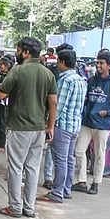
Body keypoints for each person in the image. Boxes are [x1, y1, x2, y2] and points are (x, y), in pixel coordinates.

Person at [0, 37, 57, 218]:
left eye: (18, 49)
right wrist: (50, 126)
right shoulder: (48, 74)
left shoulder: (18, 70)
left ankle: (15, 206)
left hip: (18, 126)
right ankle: (29, 208)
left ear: (26, 52)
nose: (16, 52)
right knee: (32, 168)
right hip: (39, 128)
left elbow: (0, 94)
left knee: (15, 167)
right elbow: (53, 103)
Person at [38, 49, 86, 203]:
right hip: (74, 125)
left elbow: (57, 106)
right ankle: (65, 189)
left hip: (62, 126)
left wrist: (49, 125)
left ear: (63, 63)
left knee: (60, 160)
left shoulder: (65, 80)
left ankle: (57, 193)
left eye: (58, 61)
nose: (57, 64)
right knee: (69, 159)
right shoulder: (80, 79)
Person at [71, 49, 110, 195]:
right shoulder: (92, 81)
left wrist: (108, 113)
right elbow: (85, 99)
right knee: (79, 151)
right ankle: (81, 181)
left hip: (103, 125)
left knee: (99, 155)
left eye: (101, 63)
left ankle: (96, 183)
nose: (97, 65)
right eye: (97, 62)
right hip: (87, 123)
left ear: (109, 66)